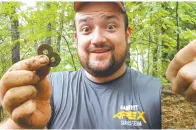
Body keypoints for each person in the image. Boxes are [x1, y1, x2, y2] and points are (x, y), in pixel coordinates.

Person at [0, 2, 161, 129]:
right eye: (86, 29)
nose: (97, 39)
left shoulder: (157, 93)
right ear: (76, 38)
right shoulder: (49, 87)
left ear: (127, 34)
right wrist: (28, 128)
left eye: (110, 26)